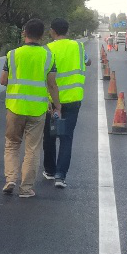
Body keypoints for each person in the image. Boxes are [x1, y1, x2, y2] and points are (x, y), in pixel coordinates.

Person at [0, 18, 63, 198]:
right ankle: (26, 189)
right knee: (32, 149)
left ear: (24, 33)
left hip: (15, 107)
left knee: (12, 144)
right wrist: (57, 107)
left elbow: (3, 80)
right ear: (42, 36)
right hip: (37, 109)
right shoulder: (48, 56)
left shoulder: (12, 54)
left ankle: (10, 179)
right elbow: (52, 85)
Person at [42, 18, 90, 188]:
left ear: (52, 31)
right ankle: (60, 176)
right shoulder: (78, 47)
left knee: (50, 136)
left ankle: (49, 170)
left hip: (52, 101)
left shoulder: (47, 49)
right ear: (67, 31)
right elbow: (88, 61)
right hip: (73, 99)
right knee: (66, 137)